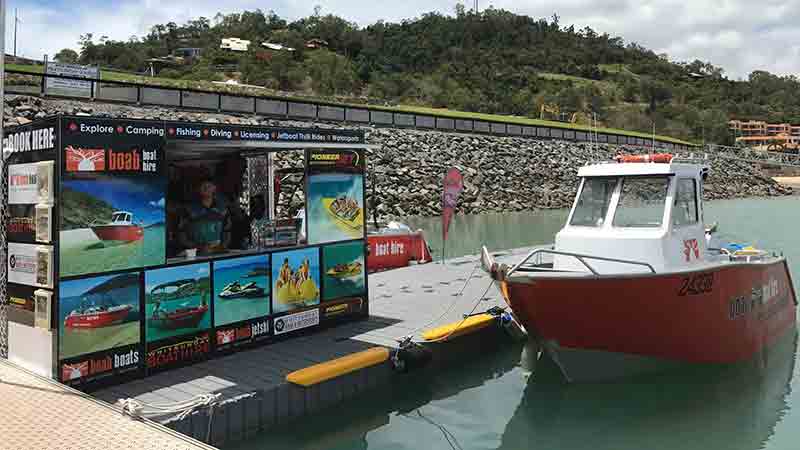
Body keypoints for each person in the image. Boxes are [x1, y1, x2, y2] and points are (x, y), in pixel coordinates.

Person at [178, 180, 231, 255]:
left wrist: (221, 247)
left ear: (214, 188)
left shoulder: (223, 209)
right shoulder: (189, 209)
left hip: (218, 253)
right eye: (203, 186)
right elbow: (181, 233)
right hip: (196, 254)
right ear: (198, 189)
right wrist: (199, 248)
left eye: (209, 186)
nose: (206, 188)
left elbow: (227, 231)